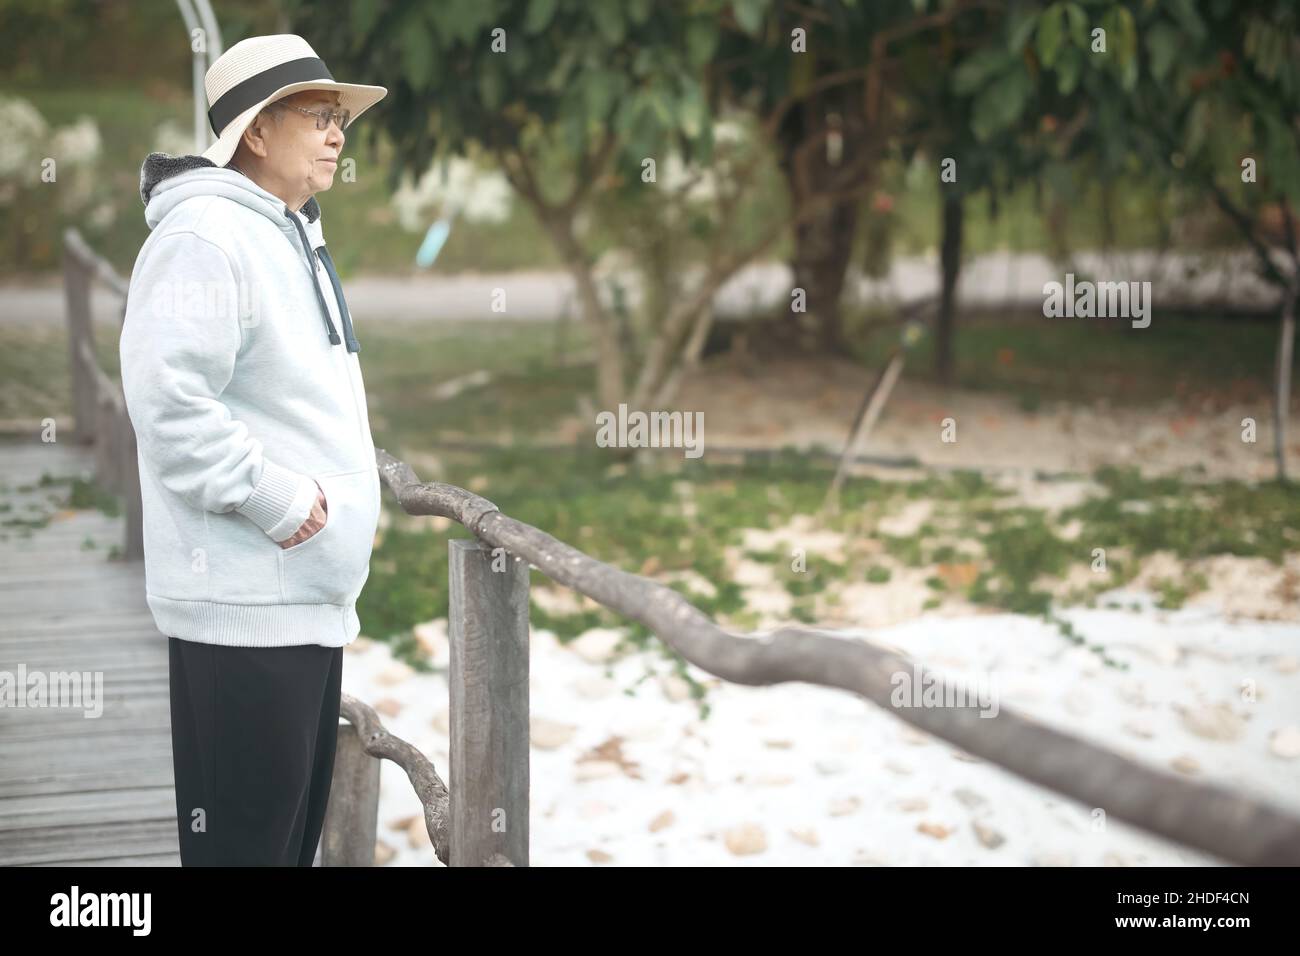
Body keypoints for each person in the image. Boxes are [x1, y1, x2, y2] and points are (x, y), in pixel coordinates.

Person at [119, 34, 387, 866]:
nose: (338, 131)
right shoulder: (206, 235)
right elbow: (168, 402)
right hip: (245, 605)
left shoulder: (288, 228)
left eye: (339, 116)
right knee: (245, 851)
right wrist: (277, 500)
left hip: (298, 598)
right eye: (318, 114)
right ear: (256, 133)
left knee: (281, 850)